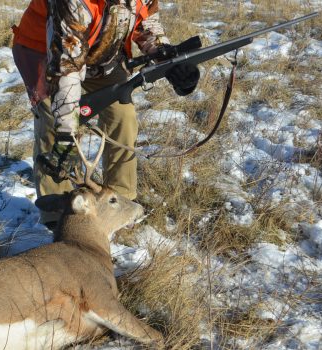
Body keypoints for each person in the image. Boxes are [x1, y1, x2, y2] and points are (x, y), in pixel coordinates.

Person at [12, 0, 200, 227]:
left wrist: (166, 57)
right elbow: (67, 67)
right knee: (55, 125)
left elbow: (144, 21)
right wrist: (66, 133)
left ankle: (119, 203)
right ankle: (59, 213)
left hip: (102, 55)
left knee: (123, 116)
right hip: (47, 53)